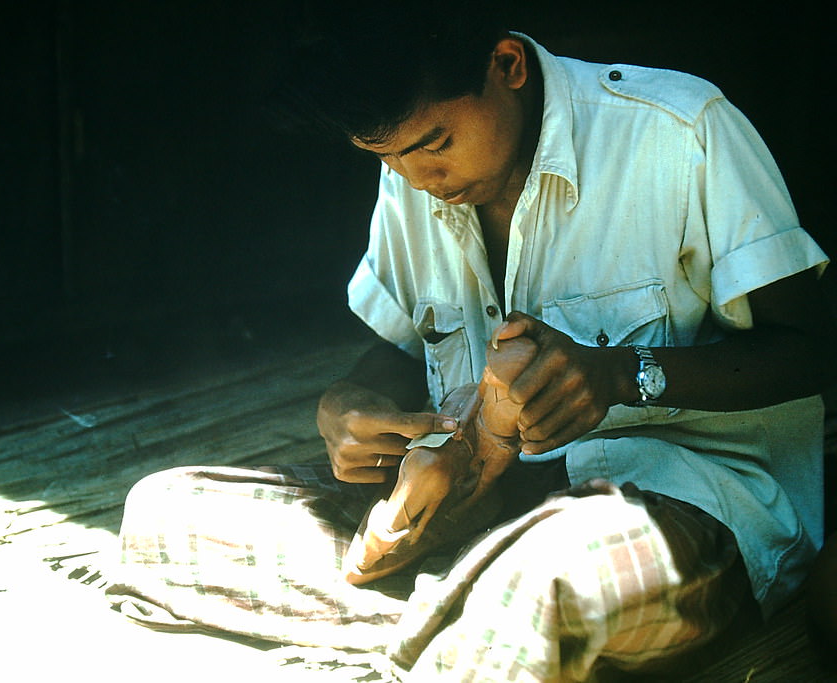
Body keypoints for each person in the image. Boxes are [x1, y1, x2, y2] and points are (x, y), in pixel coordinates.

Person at [105, 2, 836, 679]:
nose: (421, 181)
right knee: (164, 514)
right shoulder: (415, 173)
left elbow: (811, 349)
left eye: (434, 145)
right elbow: (400, 344)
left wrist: (620, 375)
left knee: (542, 580)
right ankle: (473, 631)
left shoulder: (682, 133)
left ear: (508, 66)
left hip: (681, 502)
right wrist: (347, 403)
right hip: (478, 503)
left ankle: (486, 620)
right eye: (389, 160)